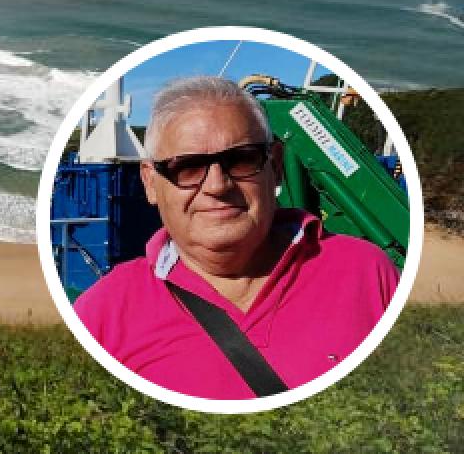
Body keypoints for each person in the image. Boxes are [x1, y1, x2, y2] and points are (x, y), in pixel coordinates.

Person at [73, 76, 399, 400]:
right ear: (150, 182)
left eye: (241, 159)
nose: (217, 185)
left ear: (276, 165)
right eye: (186, 167)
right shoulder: (103, 316)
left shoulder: (368, 273)